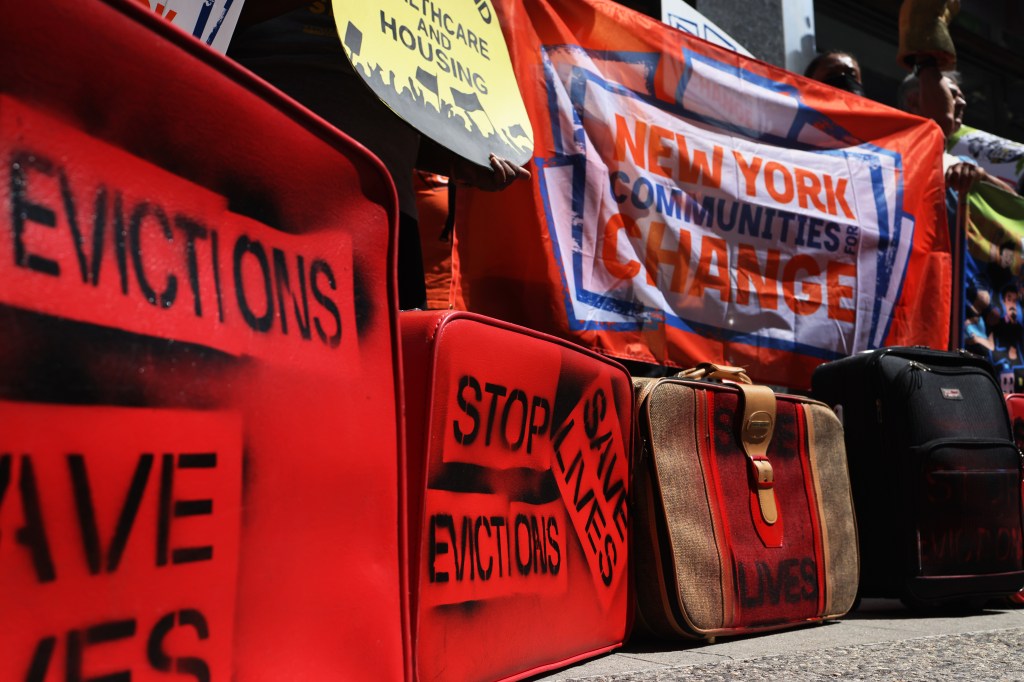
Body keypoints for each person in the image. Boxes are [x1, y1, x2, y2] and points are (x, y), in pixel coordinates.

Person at [228, 1, 530, 310]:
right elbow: (192, 16)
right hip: (263, 183)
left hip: (386, 216)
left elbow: (398, 111)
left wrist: (460, 159)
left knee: (383, 356)